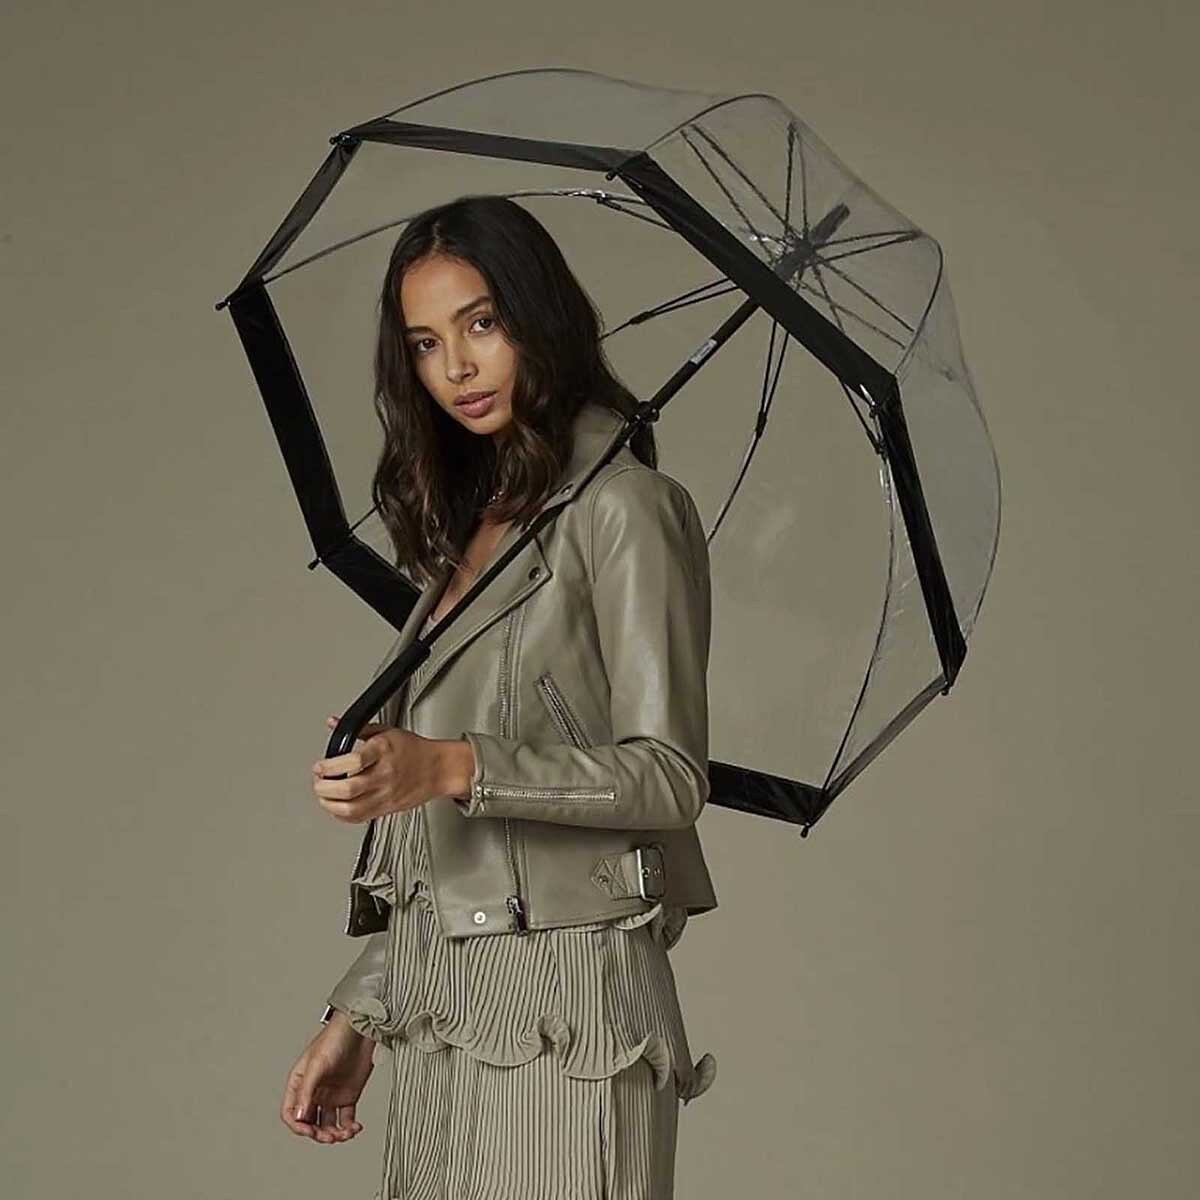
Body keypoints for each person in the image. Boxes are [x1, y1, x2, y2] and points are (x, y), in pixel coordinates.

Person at [278, 194, 719, 1199]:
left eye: (481, 324)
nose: (457, 368)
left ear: (539, 317)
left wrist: (449, 764)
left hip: (575, 1010)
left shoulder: (627, 507)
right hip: (445, 1007)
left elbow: (668, 776)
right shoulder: (477, 524)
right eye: (425, 344)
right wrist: (359, 1013)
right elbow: (448, 847)